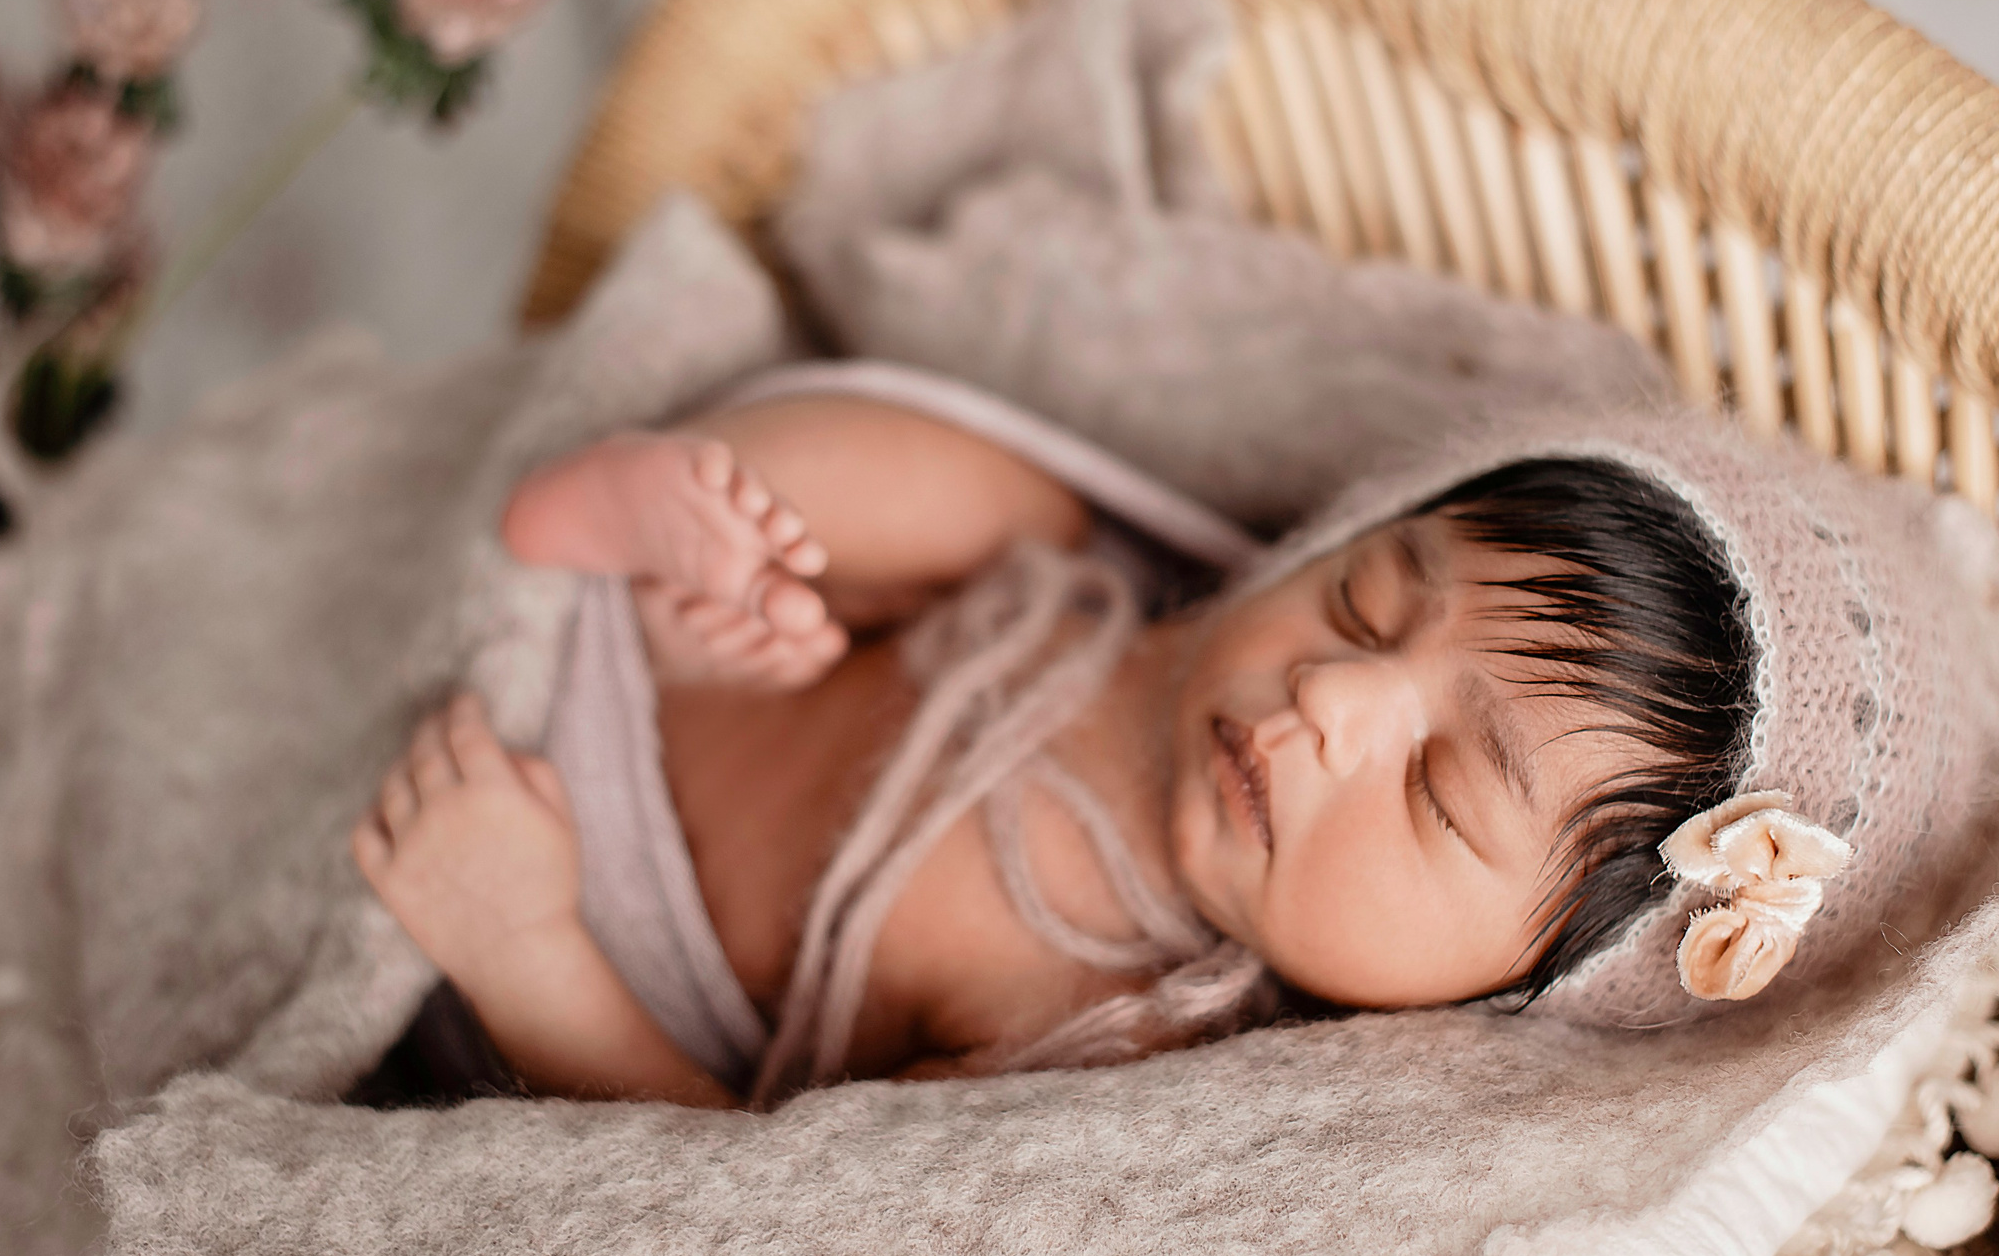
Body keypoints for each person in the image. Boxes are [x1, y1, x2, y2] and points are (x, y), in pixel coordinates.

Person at [350, 368, 1791, 1109]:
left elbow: (746, 1175)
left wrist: (526, 952)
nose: (1331, 698)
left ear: (1514, 990)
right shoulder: (1138, 626)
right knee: (1012, 513)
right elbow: (993, 542)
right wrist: (784, 576)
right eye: (1363, 600)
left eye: (1438, 792)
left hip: (564, 898)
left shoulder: (1104, 1023)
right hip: (669, 653)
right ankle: (681, 502)